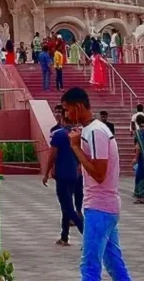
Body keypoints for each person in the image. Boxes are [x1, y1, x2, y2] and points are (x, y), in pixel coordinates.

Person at [61, 87, 133, 281]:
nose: (66, 115)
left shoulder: (96, 132)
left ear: (78, 106)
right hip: (103, 206)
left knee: (90, 265)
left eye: (67, 110)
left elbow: (100, 173)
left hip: (100, 207)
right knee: (114, 263)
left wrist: (76, 147)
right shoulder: (92, 130)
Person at [43, 105, 84, 246]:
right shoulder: (76, 134)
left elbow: (52, 156)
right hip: (75, 174)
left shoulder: (59, 134)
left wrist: (46, 173)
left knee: (67, 207)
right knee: (66, 205)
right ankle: (64, 236)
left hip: (62, 174)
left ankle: (86, 234)